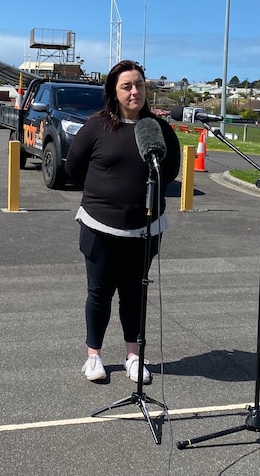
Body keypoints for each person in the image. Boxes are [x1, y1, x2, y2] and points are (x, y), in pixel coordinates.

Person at [64, 60, 181, 383]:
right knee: (99, 292)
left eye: (139, 85)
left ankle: (133, 355)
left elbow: (169, 171)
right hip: (100, 227)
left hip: (144, 229)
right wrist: (105, 192)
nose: (135, 91)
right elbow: (74, 167)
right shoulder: (96, 127)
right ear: (113, 93)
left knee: (135, 293)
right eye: (127, 86)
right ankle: (94, 356)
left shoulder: (159, 130)